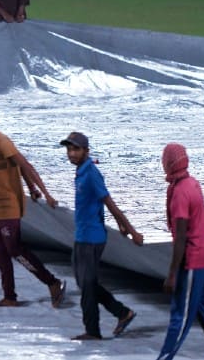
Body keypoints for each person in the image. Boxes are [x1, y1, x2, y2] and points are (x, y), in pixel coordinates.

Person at [0, 105, 65, 307]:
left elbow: (25, 165)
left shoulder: (0, 140)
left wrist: (43, 193)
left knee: (14, 249)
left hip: (7, 206)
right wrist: (32, 188)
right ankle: (9, 296)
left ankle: (52, 282)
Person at [59, 131, 143, 341]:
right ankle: (122, 312)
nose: (71, 153)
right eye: (69, 149)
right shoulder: (81, 171)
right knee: (85, 283)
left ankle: (92, 331)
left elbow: (109, 203)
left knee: (87, 286)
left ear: (86, 151)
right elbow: (96, 205)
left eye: (76, 149)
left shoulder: (91, 174)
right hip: (82, 235)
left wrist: (131, 231)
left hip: (92, 238)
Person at [157, 143, 204, 359]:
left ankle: (165, 357)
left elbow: (181, 238)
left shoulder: (179, 193)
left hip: (191, 263)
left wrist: (172, 274)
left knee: (181, 317)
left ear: (168, 163)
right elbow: (203, 209)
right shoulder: (192, 183)